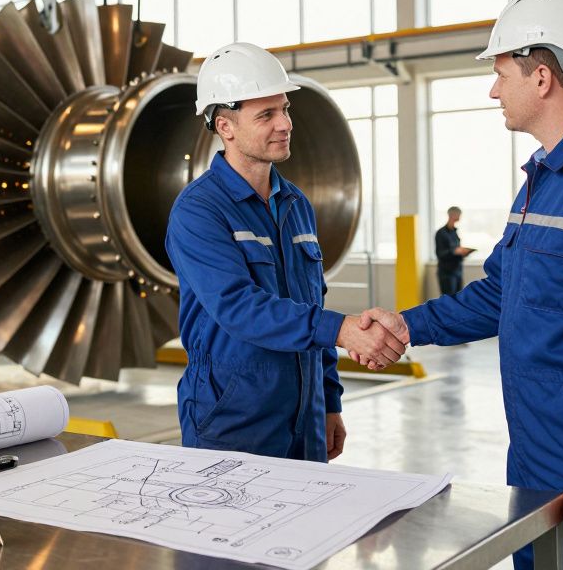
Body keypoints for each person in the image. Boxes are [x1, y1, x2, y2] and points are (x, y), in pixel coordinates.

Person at [350, 0, 563, 569]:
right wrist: (407, 326)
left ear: (541, 78)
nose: (493, 89)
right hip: (539, 453)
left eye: (500, 73)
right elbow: (502, 294)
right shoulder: (545, 179)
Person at [165, 42, 406, 463]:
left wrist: (329, 401)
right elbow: (239, 308)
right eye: (266, 115)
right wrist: (343, 330)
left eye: (285, 109)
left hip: (305, 419)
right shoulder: (199, 210)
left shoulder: (296, 204)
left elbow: (313, 305)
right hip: (234, 420)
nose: (285, 124)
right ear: (225, 126)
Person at [435, 206, 475, 296]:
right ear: (452, 215)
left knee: (458, 298)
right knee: (449, 299)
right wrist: (455, 252)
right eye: (459, 214)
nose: (460, 217)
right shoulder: (441, 233)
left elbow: (457, 249)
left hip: (457, 271)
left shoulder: (454, 232)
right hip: (447, 273)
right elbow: (440, 254)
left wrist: (464, 252)